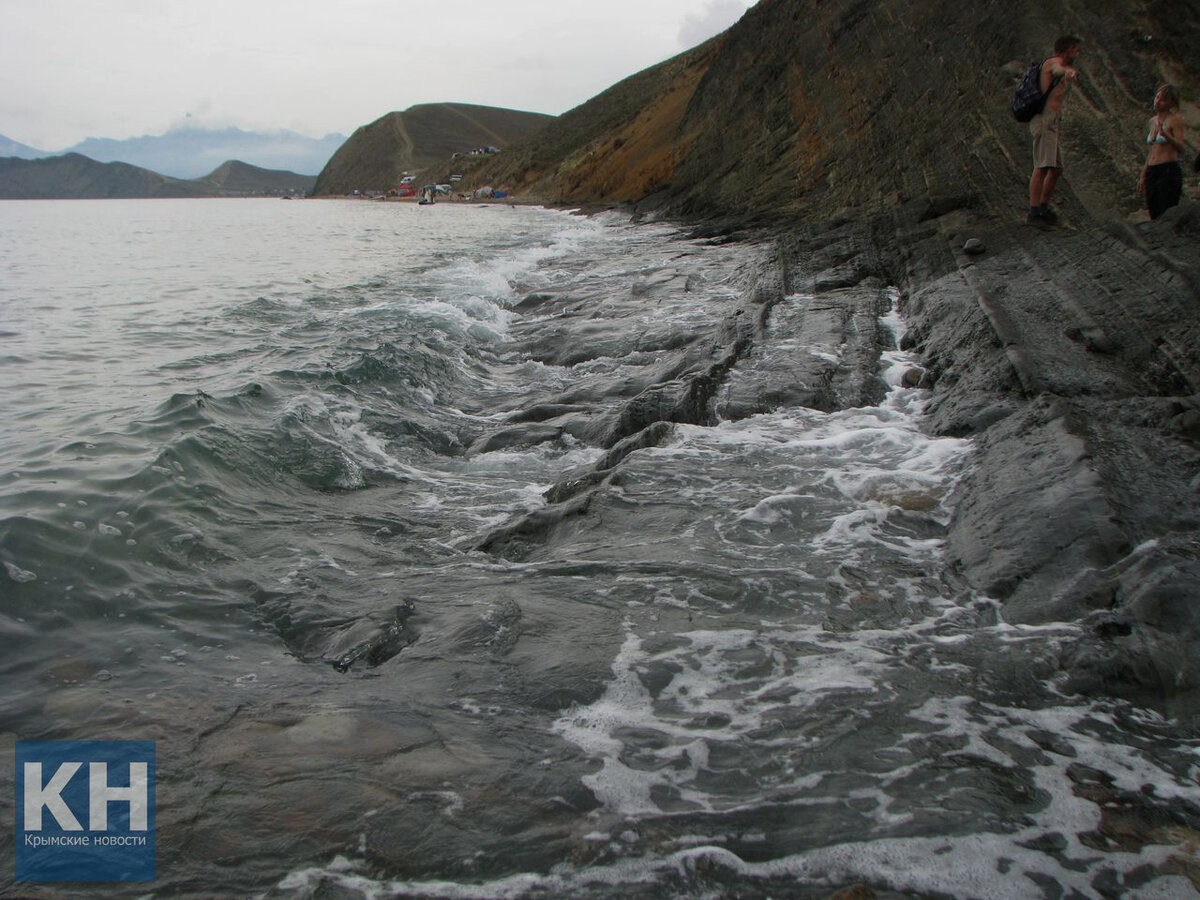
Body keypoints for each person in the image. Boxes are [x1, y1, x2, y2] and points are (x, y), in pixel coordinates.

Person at [1028, 36, 1082, 225]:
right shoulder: (1053, 62)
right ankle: (1034, 212)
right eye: (1075, 49)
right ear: (1066, 50)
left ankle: (1043, 206)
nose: (1077, 53)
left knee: (1056, 168)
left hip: (1052, 120)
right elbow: (1058, 70)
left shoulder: (1056, 64)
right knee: (1042, 165)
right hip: (1045, 118)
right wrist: (1068, 71)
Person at [1137, 84, 1186, 220]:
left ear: (1171, 102)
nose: (1157, 101)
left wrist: (1166, 136)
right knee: (1153, 212)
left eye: (1163, 99)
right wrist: (1143, 175)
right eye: (1157, 97)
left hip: (1168, 169)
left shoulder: (1175, 120)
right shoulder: (1152, 121)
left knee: (1166, 212)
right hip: (1152, 170)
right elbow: (1152, 151)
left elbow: (1181, 147)